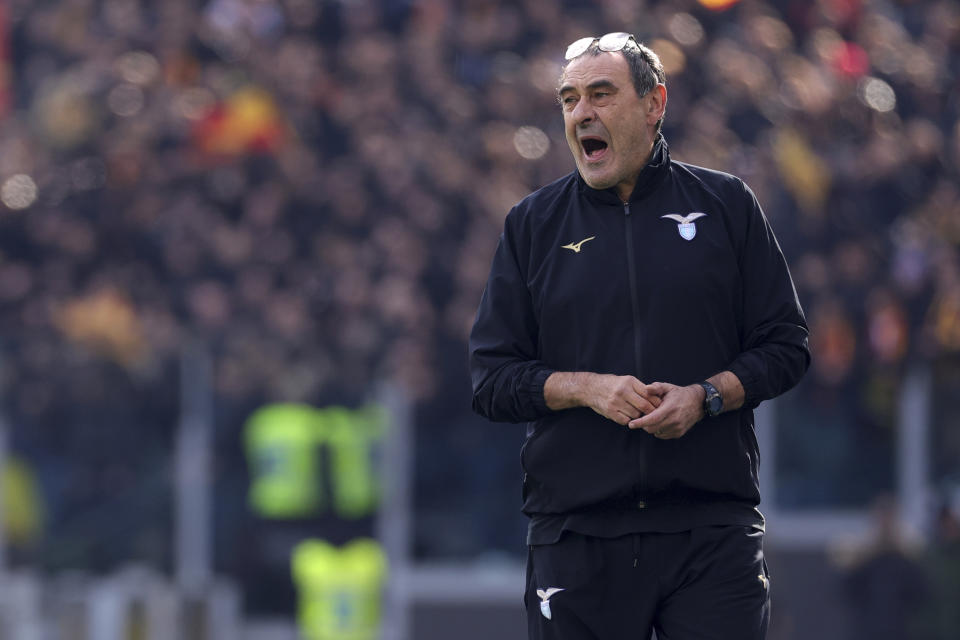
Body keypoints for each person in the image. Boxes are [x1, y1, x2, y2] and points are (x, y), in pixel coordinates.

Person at [469, 32, 810, 640]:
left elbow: (786, 345)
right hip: (577, 532)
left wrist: (706, 396)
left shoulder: (726, 205)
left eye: (602, 94)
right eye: (570, 99)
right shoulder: (533, 225)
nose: (582, 113)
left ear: (655, 104)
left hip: (710, 528)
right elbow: (491, 380)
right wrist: (585, 388)